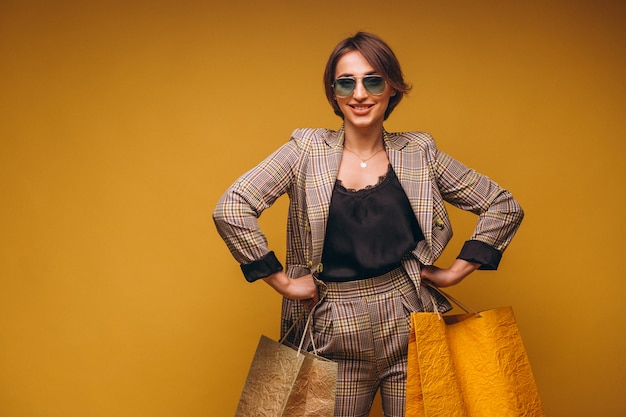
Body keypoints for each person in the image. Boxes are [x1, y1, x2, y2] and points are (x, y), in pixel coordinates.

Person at [213, 32, 523, 417]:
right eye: (347, 82)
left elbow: (501, 204)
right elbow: (232, 207)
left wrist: (455, 272)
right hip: (329, 323)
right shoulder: (305, 150)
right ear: (335, 92)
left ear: (391, 88)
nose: (360, 93)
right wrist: (283, 282)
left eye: (372, 80)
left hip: (409, 318)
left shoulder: (418, 152)